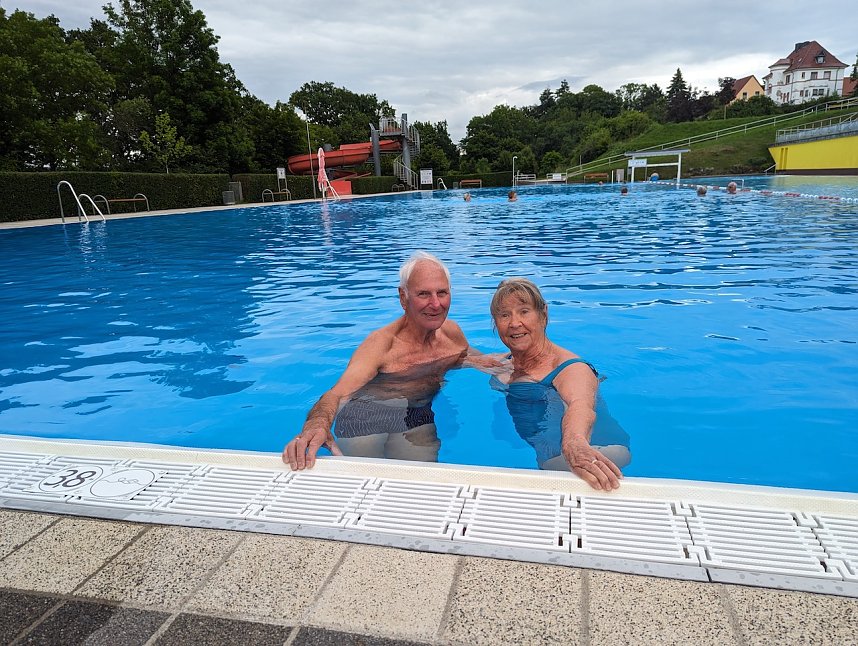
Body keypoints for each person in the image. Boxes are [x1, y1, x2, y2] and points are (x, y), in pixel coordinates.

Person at [282, 251, 472, 470]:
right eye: (423, 294)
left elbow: (468, 357)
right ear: (403, 297)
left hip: (415, 412)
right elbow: (338, 393)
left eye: (442, 293)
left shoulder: (451, 333)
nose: (436, 304)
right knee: (364, 476)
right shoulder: (381, 345)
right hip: (366, 417)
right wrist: (316, 424)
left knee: (421, 478)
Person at [487, 278, 625, 490]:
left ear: (544, 314)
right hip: (545, 447)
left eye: (524, 311)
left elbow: (580, 405)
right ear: (496, 322)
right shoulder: (502, 363)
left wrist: (574, 444)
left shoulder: (571, 368)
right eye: (505, 315)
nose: (515, 323)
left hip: (598, 451)